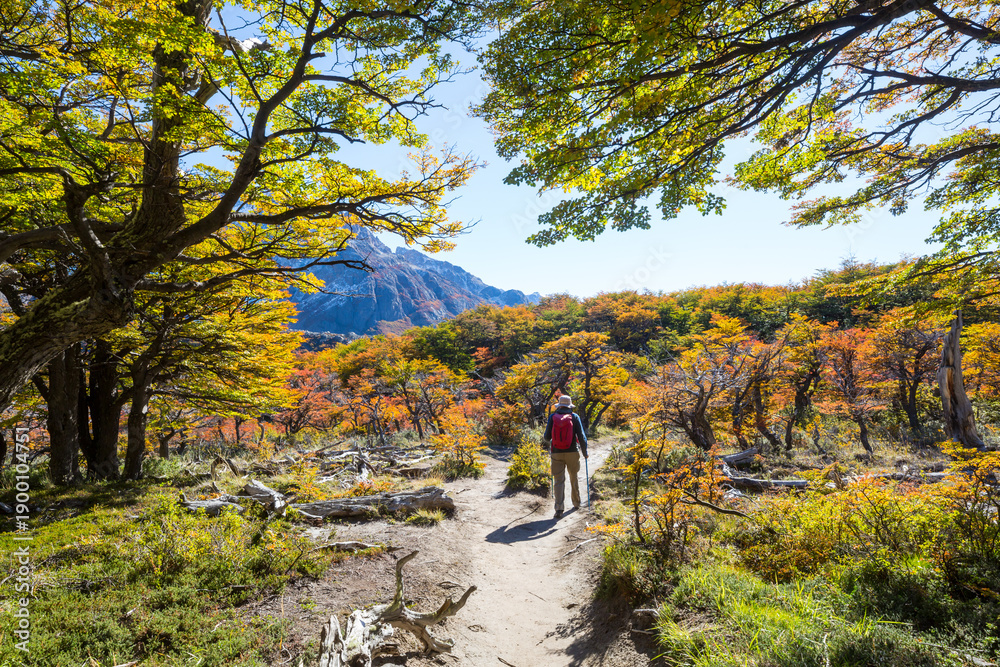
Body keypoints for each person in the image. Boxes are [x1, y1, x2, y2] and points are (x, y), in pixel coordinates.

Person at [543, 395, 588, 518]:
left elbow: (546, 437)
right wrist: (585, 452)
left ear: (559, 405)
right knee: (573, 477)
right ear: (570, 406)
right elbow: (582, 437)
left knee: (558, 481)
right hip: (572, 452)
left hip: (556, 452)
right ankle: (576, 503)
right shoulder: (575, 417)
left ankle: (559, 508)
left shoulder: (552, 417)